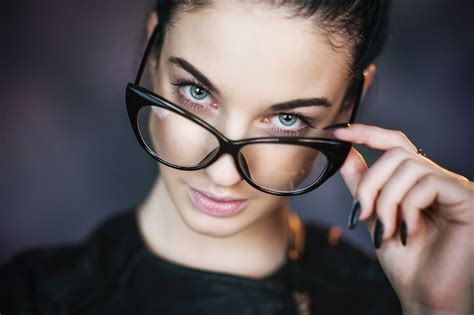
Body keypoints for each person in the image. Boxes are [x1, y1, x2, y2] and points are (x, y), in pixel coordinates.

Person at [1, 1, 472, 314]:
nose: (223, 173)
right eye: (197, 92)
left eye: (286, 120)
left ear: (350, 104)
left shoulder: (403, 303)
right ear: (153, 51)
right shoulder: (26, 298)